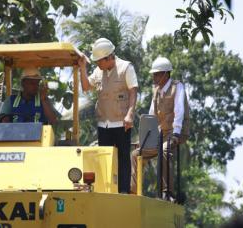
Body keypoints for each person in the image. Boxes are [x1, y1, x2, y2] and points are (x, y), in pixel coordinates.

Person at [78, 38, 138, 193]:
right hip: (103, 124)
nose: (97, 64)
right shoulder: (99, 72)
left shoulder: (126, 67)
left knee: (123, 159)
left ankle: (123, 192)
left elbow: (133, 91)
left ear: (108, 58)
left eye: (99, 61)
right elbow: (85, 87)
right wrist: (82, 68)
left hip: (121, 123)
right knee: (104, 158)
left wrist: (130, 114)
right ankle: (105, 190)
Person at [130, 57, 190, 198]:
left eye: (156, 74)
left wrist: (176, 133)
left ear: (165, 73)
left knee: (164, 150)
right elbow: (152, 115)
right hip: (161, 133)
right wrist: (144, 138)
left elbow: (179, 111)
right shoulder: (156, 91)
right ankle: (134, 191)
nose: (154, 77)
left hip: (177, 132)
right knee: (136, 154)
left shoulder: (177, 87)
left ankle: (166, 192)